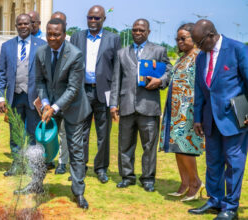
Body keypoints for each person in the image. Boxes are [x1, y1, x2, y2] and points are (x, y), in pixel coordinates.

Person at [188, 19, 248, 220]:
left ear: (211, 35)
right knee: (213, 162)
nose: (197, 47)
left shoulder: (237, 49)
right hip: (209, 119)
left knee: (234, 162)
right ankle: (215, 200)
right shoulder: (201, 58)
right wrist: (197, 117)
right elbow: (199, 89)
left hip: (234, 118)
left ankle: (231, 207)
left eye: (199, 43)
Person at [34, 18, 92, 209]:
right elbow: (40, 81)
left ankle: (78, 192)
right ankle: (35, 184)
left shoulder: (75, 55)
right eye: (49, 34)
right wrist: (45, 104)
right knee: (42, 146)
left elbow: (73, 88)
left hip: (73, 106)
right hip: (50, 104)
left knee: (75, 150)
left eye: (57, 34)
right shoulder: (41, 52)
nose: (52, 38)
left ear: (64, 34)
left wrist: (54, 107)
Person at [110, 19, 172, 192]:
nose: (137, 32)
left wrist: (160, 81)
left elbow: (169, 71)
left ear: (149, 32)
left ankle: (148, 179)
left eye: (141, 30)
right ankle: (127, 177)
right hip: (126, 105)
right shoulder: (122, 53)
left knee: (149, 145)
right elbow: (116, 80)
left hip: (149, 106)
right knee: (125, 144)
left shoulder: (159, 51)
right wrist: (113, 104)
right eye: (134, 29)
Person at [70, 5, 121, 184]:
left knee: (103, 133)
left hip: (103, 93)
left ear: (103, 20)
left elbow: (117, 70)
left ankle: (100, 168)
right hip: (82, 91)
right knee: (80, 132)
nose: (92, 21)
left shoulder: (113, 39)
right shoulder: (76, 37)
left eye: (96, 18)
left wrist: (115, 98)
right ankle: (79, 167)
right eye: (90, 17)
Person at [159, 23, 205, 201]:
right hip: (175, 110)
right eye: (177, 39)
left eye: (183, 38)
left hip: (189, 112)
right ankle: (184, 183)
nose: (180, 42)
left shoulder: (199, 57)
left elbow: (202, 85)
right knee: (177, 148)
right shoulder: (181, 58)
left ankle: (195, 183)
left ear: (194, 38)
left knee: (186, 149)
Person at [0, 14, 46, 177]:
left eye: (26, 23)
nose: (23, 26)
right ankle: (17, 164)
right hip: (14, 97)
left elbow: (46, 75)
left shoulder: (42, 45)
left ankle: (33, 165)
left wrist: (45, 99)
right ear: (16, 26)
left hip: (34, 98)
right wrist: (0, 97)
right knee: (15, 132)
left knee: (33, 133)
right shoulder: (7, 46)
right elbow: (2, 73)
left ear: (32, 25)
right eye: (20, 24)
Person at [50, 11, 69, 175]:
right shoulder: (46, 45)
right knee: (49, 130)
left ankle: (62, 163)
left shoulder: (71, 47)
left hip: (66, 99)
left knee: (64, 133)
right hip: (48, 98)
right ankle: (48, 159)